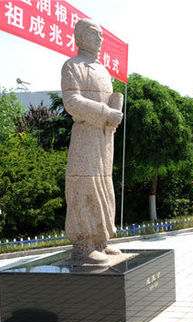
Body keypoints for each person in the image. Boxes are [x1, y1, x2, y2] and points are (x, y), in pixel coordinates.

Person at [62, 19, 124, 265]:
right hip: (85, 136)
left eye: (101, 34)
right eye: (94, 34)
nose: (100, 39)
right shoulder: (72, 66)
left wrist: (114, 115)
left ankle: (100, 241)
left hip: (104, 138)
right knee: (85, 187)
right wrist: (105, 112)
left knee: (103, 186)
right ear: (80, 37)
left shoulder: (103, 70)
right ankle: (83, 245)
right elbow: (72, 102)